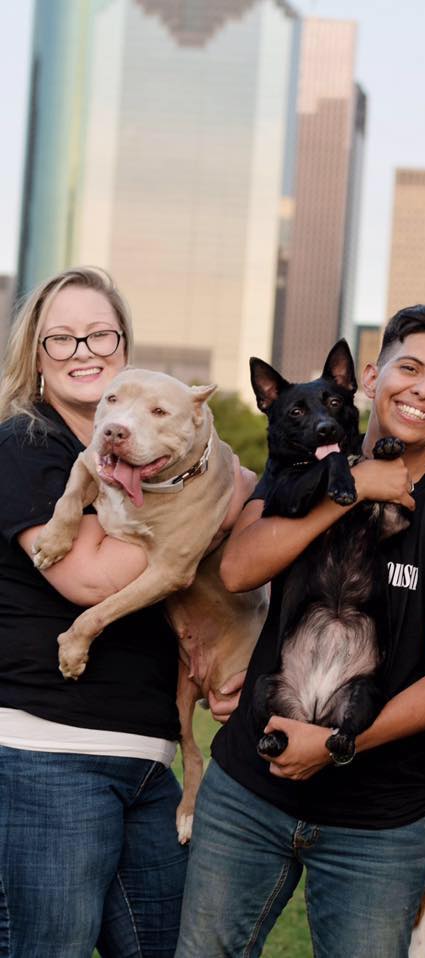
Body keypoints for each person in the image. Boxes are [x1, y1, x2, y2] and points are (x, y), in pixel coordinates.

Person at [175, 305, 425, 958]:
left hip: (378, 826)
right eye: (409, 368)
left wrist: (337, 744)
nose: (422, 389)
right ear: (374, 378)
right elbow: (239, 567)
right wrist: (347, 488)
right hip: (247, 795)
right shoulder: (299, 467)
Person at [0, 267, 197, 957]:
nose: (82, 351)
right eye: (61, 339)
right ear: (35, 355)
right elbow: (84, 578)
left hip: (147, 758)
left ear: (123, 347)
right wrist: (213, 513)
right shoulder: (25, 445)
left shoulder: (159, 459)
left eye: (99, 335)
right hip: (49, 753)